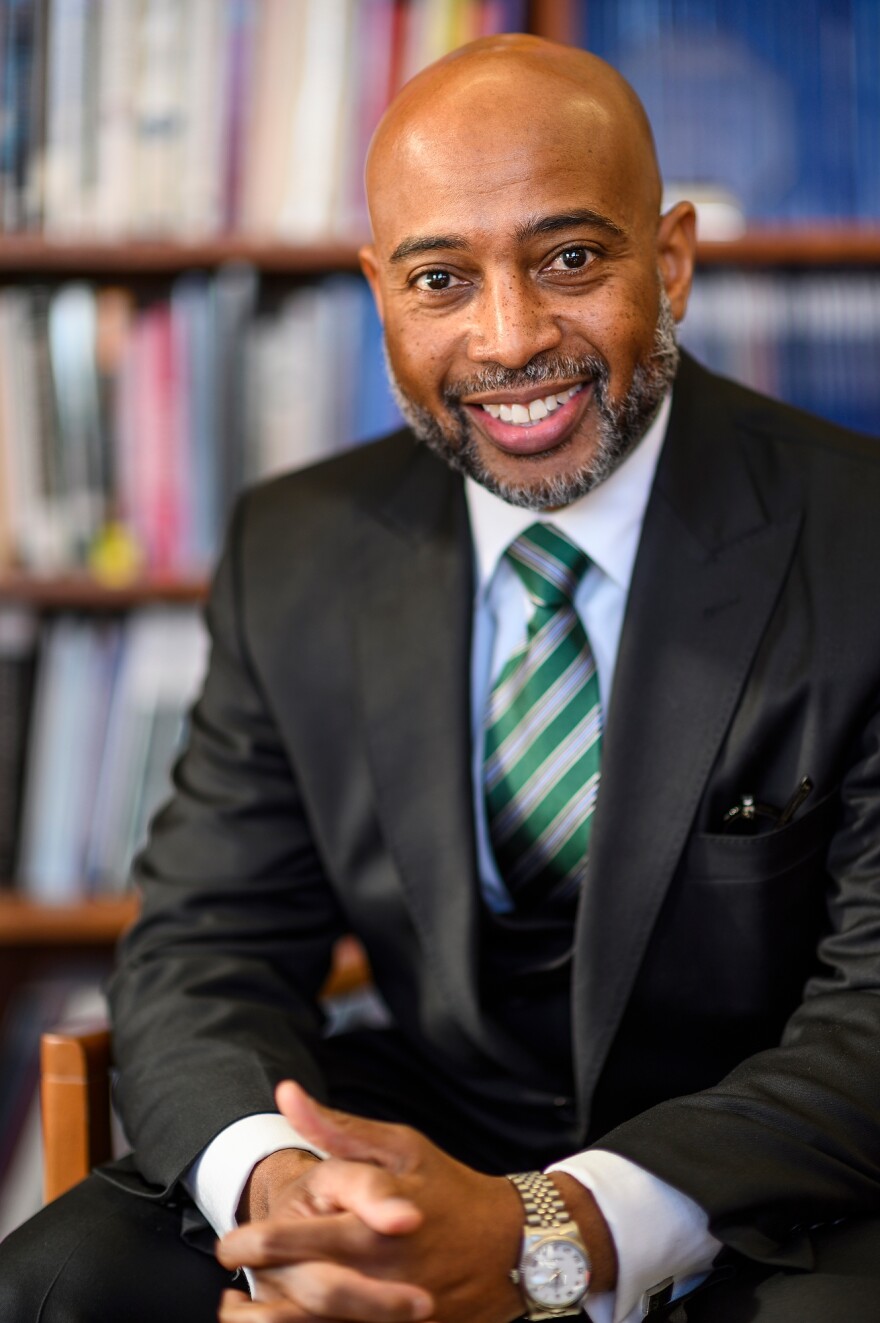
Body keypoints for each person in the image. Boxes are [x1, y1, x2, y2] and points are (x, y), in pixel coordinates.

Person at [3, 32, 880, 1323]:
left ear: (674, 260)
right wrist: (286, 1190)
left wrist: (554, 1229)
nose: (511, 336)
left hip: (767, 1189)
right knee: (61, 1285)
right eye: (440, 279)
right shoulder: (296, 548)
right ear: (379, 291)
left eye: (571, 259)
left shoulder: (860, 539)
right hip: (424, 1141)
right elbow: (212, 939)